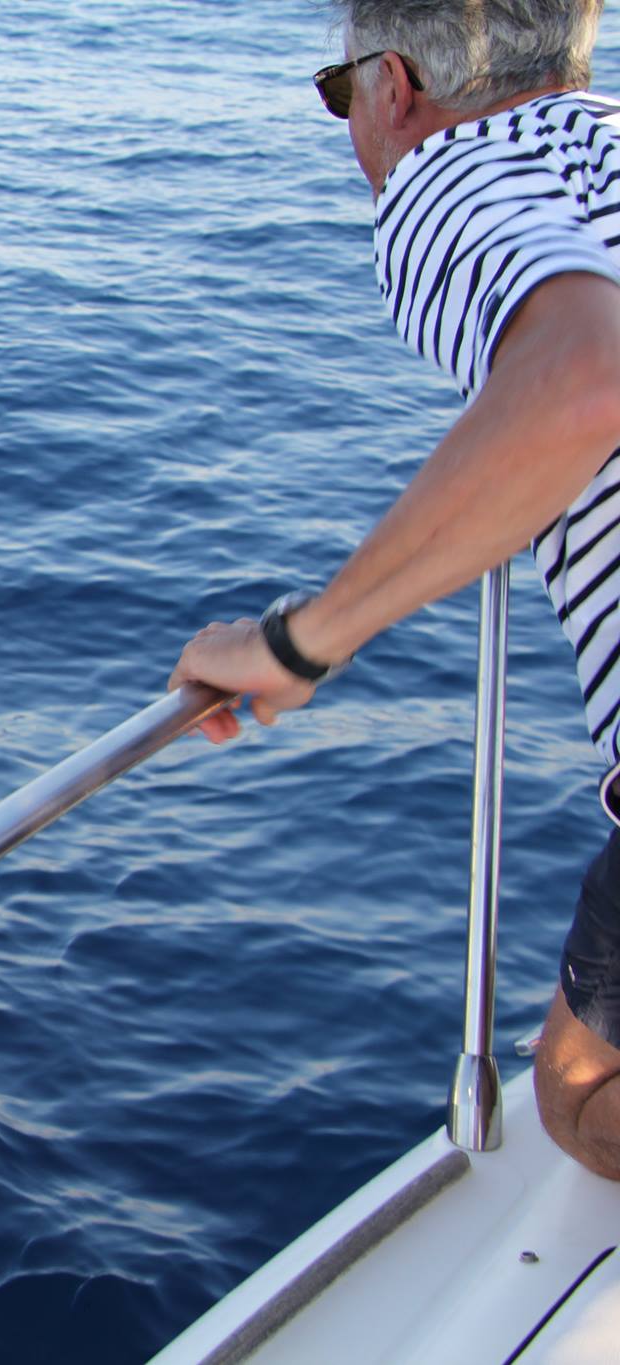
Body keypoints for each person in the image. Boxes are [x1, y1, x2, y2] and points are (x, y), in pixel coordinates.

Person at [167, 0, 620, 1180]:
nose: (352, 133)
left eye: (339, 94)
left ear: (395, 85)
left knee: (576, 1099)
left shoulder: (444, 175)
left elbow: (579, 381)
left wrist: (300, 643)